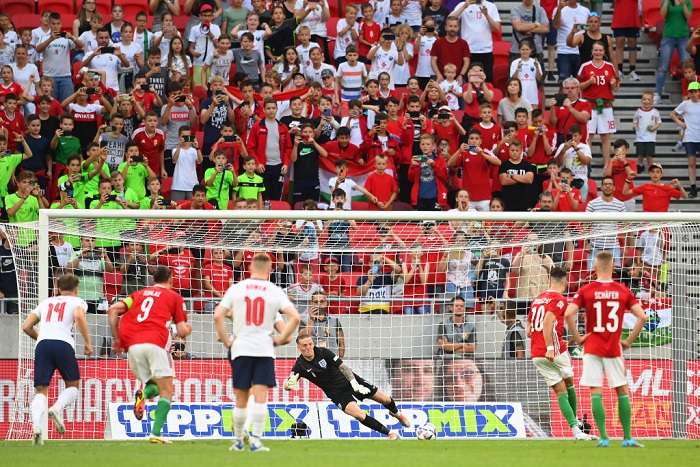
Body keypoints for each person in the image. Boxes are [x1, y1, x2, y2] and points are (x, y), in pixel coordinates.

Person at [214, 253, 300, 452]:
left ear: (250, 267)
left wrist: (227, 339)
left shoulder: (237, 288)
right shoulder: (274, 291)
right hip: (264, 349)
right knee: (260, 395)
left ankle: (237, 442)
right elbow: (294, 318)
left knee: (241, 397)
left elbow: (218, 314)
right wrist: (280, 339)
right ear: (269, 269)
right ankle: (256, 440)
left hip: (240, 347)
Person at [564, 251, 648, 448]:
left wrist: (578, 338)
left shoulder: (587, 289)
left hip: (592, 347)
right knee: (622, 390)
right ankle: (627, 438)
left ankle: (603, 437)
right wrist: (628, 341)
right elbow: (642, 317)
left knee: (596, 391)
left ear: (594, 269)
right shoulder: (622, 290)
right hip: (614, 347)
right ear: (612, 268)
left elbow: (568, 314)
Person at [108, 266, 191, 444]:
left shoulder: (138, 294)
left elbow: (113, 309)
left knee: (153, 384)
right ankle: (155, 433)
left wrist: (117, 339)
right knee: (166, 390)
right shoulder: (174, 297)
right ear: (171, 280)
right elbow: (182, 331)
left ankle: (143, 394)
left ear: (153, 280)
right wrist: (188, 329)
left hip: (133, 346)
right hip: (155, 343)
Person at [284, 333, 406, 439]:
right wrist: (288, 385)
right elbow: (289, 383)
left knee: (384, 399)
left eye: (310, 344)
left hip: (350, 381)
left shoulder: (323, 352)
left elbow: (343, 367)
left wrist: (354, 383)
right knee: (358, 414)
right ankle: (390, 434)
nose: (308, 348)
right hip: (336, 393)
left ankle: (396, 413)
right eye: (304, 346)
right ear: (299, 347)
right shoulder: (300, 365)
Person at [22, 274, 93, 445]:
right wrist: (88, 342)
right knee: (73, 386)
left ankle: (37, 427)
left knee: (40, 390)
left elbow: (26, 326)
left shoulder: (46, 302)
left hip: (43, 345)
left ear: (58, 289)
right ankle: (56, 408)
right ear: (76, 290)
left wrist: (42, 337)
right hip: (63, 344)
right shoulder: (78, 301)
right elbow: (78, 315)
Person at [527, 267, 595, 440]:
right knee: (569, 384)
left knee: (560, 390)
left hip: (536, 353)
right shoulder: (559, 299)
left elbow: (529, 331)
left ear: (549, 281)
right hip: (554, 351)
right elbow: (547, 322)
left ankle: (576, 429)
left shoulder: (537, 300)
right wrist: (550, 346)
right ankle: (577, 425)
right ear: (565, 283)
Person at [654, 0, 692, 105]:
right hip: (668, 37)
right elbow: (662, 14)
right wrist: (666, 2)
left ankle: (692, 92)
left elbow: (688, 17)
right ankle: (657, 93)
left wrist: (684, 4)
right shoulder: (667, 2)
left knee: (687, 66)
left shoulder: (687, 1)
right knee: (663, 67)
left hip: (683, 38)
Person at [585, 176, 627, 270]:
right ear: (601, 187)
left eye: (610, 184)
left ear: (614, 187)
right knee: (591, 277)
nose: (608, 186)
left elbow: (625, 228)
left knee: (615, 278)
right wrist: (586, 243)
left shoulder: (620, 205)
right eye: (605, 184)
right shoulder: (592, 204)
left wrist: (625, 247)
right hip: (595, 247)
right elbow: (586, 225)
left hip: (614, 247)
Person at [670, 81, 700, 198]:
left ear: (699, 92)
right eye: (691, 92)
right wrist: (680, 123)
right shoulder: (685, 104)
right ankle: (693, 187)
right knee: (691, 162)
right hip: (690, 137)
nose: (693, 94)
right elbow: (672, 114)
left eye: (695, 92)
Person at [622, 162, 688, 212]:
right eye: (653, 172)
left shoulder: (668, 188)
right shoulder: (645, 187)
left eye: (658, 172)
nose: (655, 174)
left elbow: (685, 196)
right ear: (649, 174)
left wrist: (679, 186)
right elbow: (625, 192)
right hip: (647, 223)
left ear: (661, 174)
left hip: (662, 224)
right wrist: (628, 179)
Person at [300, 292, 345, 357]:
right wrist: (311, 320)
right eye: (316, 302)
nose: (319, 304)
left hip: (331, 361)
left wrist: (339, 361)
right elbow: (301, 339)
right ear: (311, 303)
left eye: (321, 301)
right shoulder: (304, 321)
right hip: (312, 360)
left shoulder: (334, 320)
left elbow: (341, 343)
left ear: (326, 303)